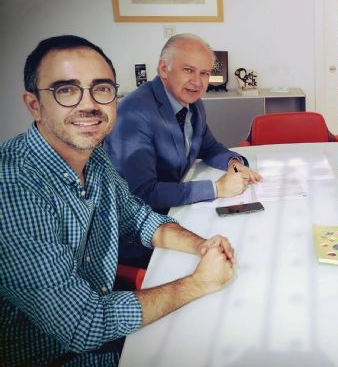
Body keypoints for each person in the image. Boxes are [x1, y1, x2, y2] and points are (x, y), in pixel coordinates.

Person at [0, 35, 236, 366]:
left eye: (101, 88)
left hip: (108, 327)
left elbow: (139, 217)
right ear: (34, 104)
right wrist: (198, 283)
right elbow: (82, 324)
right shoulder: (12, 186)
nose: (88, 104)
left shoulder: (94, 159)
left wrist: (202, 245)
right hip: (58, 356)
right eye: (66, 90)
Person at [104, 33, 261, 267]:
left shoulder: (193, 104)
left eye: (204, 73)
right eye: (188, 70)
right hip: (140, 235)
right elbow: (142, 193)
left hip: (178, 211)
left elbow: (209, 147)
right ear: (163, 69)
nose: (197, 82)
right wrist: (216, 188)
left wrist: (233, 163)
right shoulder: (134, 113)